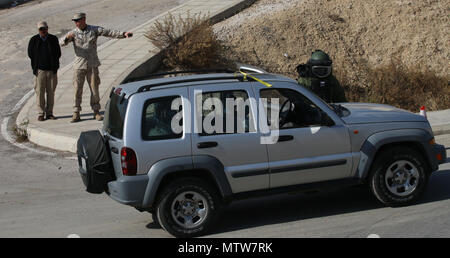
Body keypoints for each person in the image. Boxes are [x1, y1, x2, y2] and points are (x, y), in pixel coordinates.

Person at [60, 12, 133, 123]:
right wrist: (66, 38)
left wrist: (123, 34)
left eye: (78, 21)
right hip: (79, 66)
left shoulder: (93, 30)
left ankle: (96, 111)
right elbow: (62, 43)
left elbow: (108, 32)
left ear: (84, 19)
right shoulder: (73, 33)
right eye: (75, 21)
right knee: (77, 90)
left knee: (95, 89)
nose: (76, 23)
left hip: (92, 64)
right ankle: (76, 112)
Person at [28, 21, 61, 121]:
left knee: (51, 92)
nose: (43, 31)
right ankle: (41, 113)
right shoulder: (34, 40)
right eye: (41, 29)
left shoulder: (53, 39)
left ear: (47, 28)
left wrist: (54, 65)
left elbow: (58, 53)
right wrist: (37, 65)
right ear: (38, 30)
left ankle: (50, 113)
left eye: (45, 28)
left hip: (51, 70)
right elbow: (30, 54)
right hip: (40, 71)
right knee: (40, 92)